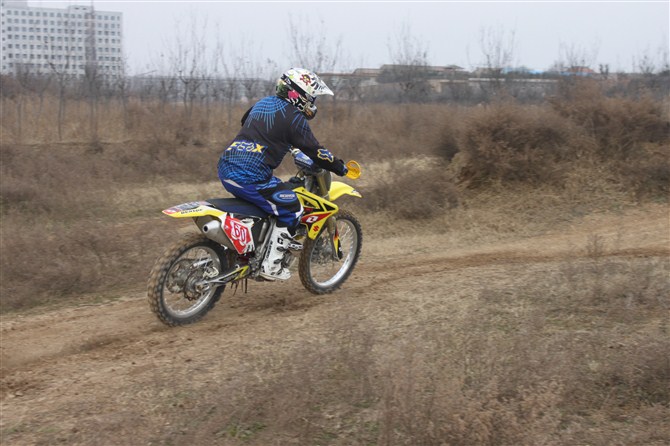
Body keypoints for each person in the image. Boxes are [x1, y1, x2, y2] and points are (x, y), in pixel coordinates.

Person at [217, 68, 349, 281]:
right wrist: (339, 166)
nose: (312, 101)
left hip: (226, 167)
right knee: (291, 207)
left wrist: (287, 146)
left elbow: (250, 124)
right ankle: (271, 265)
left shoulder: (262, 103)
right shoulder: (295, 118)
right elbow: (316, 151)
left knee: (269, 201)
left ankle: (249, 248)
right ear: (298, 94)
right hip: (251, 176)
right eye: (311, 97)